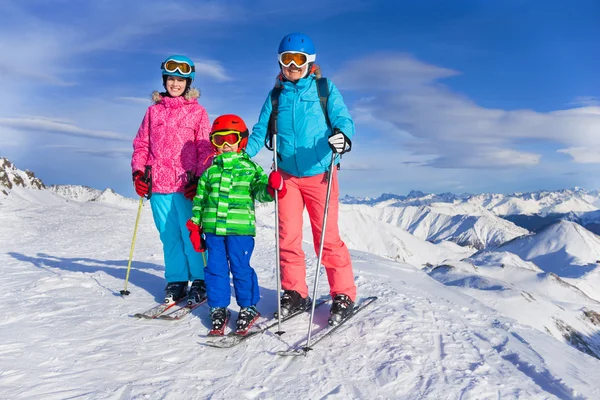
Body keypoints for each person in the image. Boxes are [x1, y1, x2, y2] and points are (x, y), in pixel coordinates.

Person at [245, 33, 357, 326]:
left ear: (310, 62)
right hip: (286, 177)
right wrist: (240, 154)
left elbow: (343, 119)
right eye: (286, 59)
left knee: (326, 239)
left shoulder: (324, 89)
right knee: (287, 238)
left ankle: (343, 294)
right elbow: (259, 131)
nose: (292, 66)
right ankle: (295, 292)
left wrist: (343, 138)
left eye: (298, 60)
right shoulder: (276, 95)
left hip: (321, 173)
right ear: (280, 62)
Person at [186, 114, 286, 334]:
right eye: (218, 140)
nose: (225, 145)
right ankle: (219, 308)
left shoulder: (250, 169)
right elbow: (200, 200)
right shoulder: (210, 172)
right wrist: (195, 225)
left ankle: (248, 307)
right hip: (213, 231)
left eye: (230, 138)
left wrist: (271, 189)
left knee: (241, 269)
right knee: (215, 270)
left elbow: (260, 191)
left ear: (241, 140)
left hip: (240, 231)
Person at [131, 55, 213, 305]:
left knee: (192, 233)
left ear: (188, 83)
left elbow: (206, 148)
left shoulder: (197, 113)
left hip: (186, 186)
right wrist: (138, 172)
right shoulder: (153, 111)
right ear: (164, 80)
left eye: (180, 80)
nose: (175, 84)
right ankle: (177, 280)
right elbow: (141, 144)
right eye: (171, 79)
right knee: (168, 235)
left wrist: (199, 179)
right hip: (158, 185)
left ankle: (200, 279)